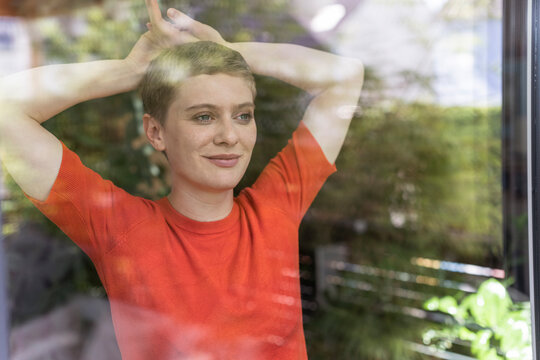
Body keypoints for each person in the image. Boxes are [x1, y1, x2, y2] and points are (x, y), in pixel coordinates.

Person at [0, 0, 364, 358]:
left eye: (242, 115)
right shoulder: (117, 226)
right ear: (156, 132)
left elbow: (344, 77)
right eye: (204, 117)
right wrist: (128, 71)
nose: (229, 136)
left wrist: (228, 51)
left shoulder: (276, 209)